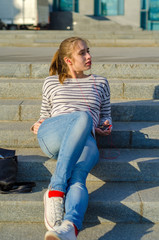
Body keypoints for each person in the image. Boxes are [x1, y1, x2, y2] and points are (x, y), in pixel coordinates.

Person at [31, 36, 112, 240]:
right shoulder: (51, 82)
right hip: (54, 134)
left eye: (88, 51)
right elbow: (45, 115)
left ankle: (69, 227)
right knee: (82, 116)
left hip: (86, 140)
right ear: (68, 60)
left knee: (78, 177)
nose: (88, 56)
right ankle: (56, 190)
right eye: (82, 53)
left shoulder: (100, 83)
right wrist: (37, 124)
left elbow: (106, 116)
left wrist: (105, 126)